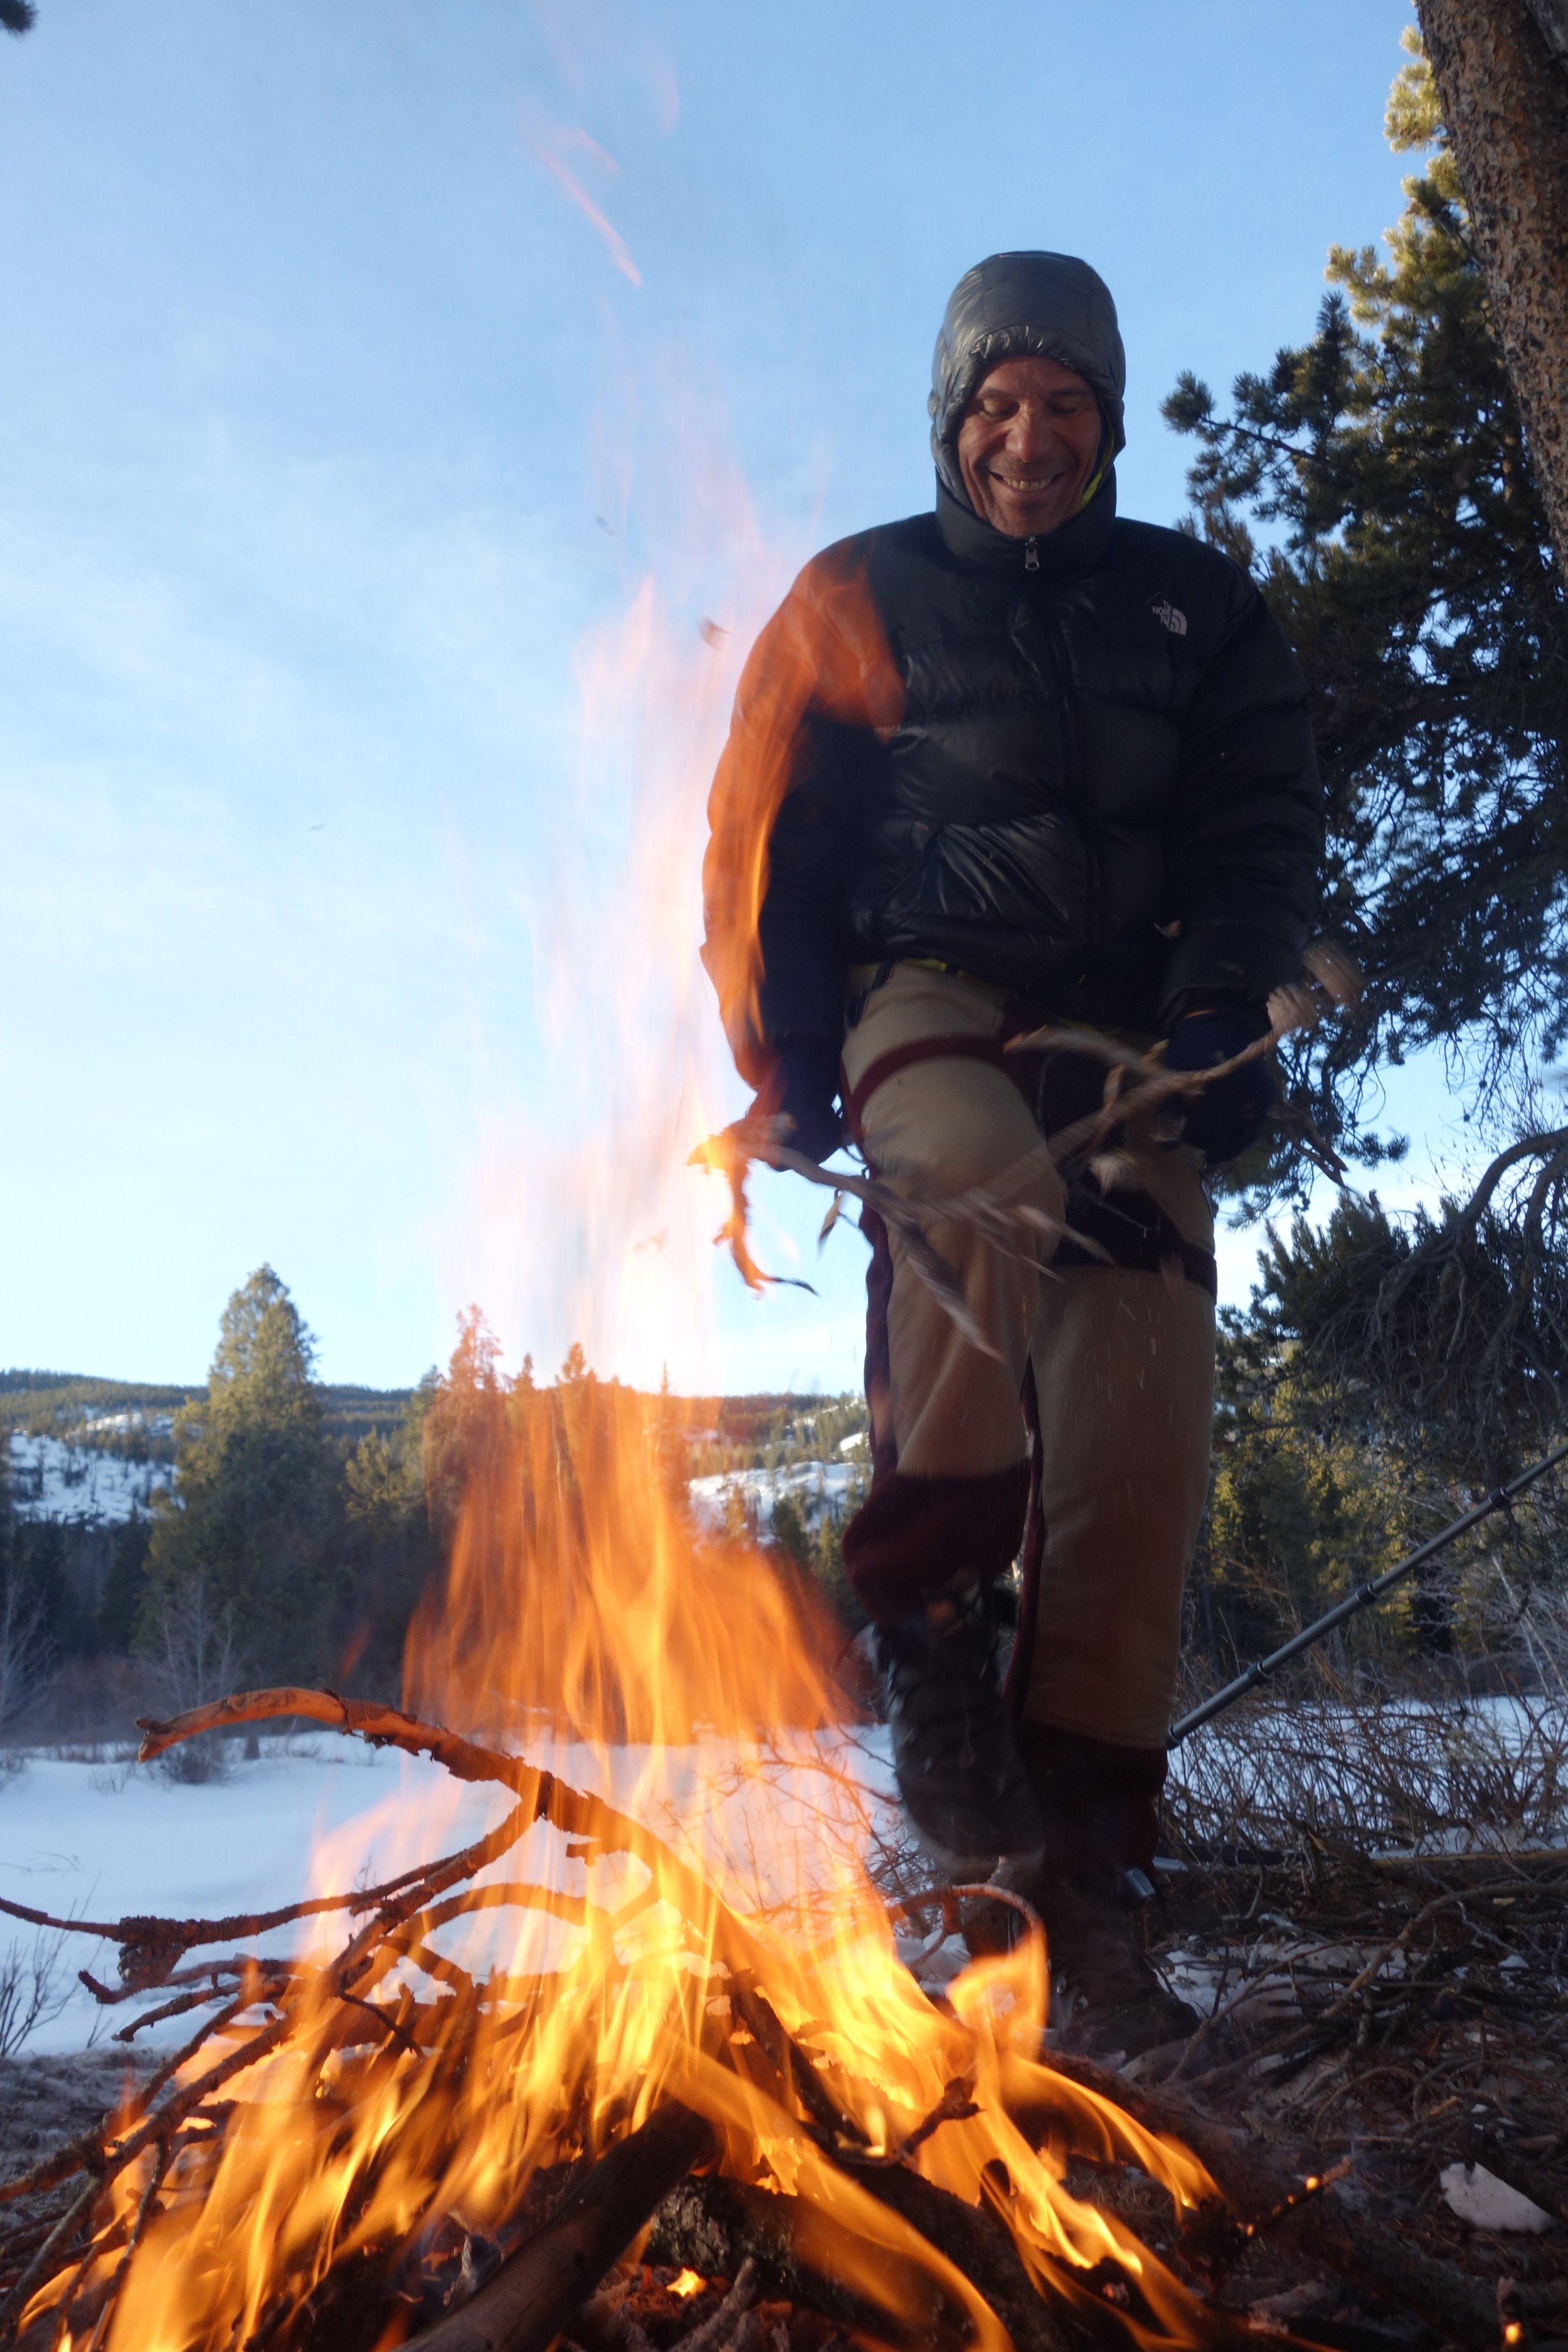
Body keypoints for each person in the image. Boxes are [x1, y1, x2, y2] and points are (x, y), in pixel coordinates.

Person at [702, 252, 1322, 2053]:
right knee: (973, 1185)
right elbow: (761, 840)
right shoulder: (860, 592)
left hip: (1129, 1028)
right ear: (950, 419)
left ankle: (1087, 1857)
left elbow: (1253, 827)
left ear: (1108, 421)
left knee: (1140, 1381)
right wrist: (782, 1060)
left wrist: (1221, 1013)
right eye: (997, 407)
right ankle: (930, 1634)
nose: (1029, 439)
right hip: (932, 990)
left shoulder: (1196, 611)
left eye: (1062, 407)